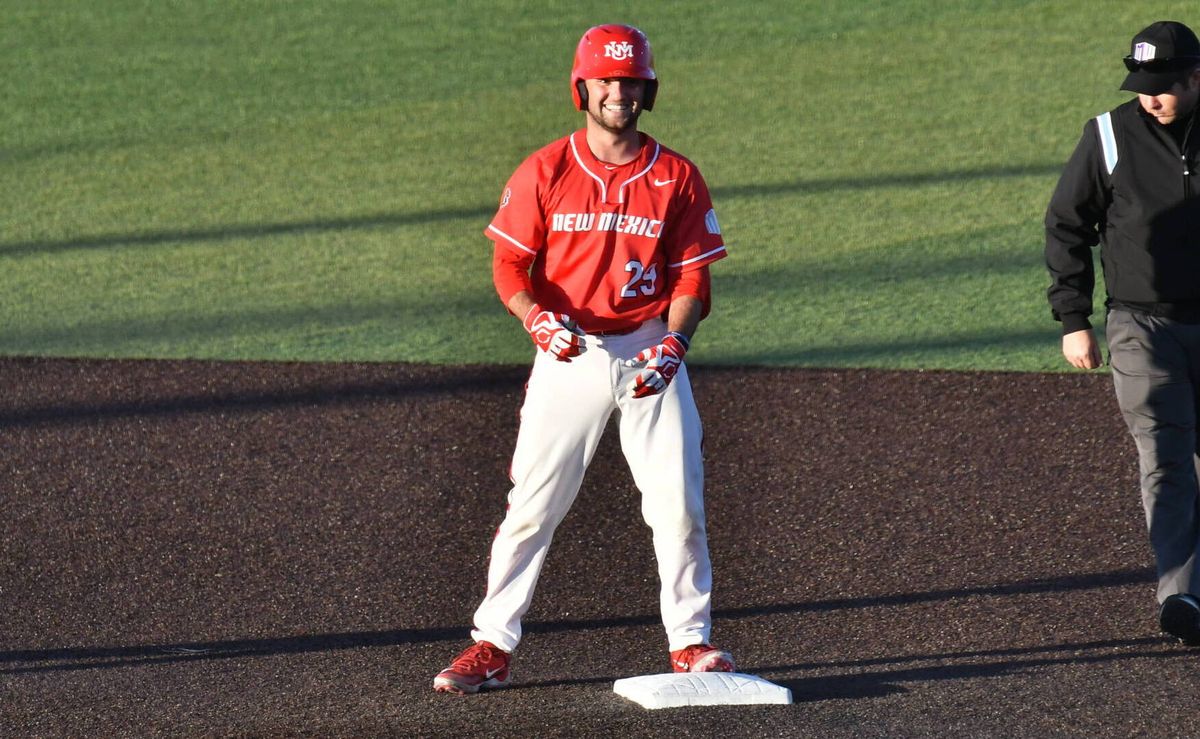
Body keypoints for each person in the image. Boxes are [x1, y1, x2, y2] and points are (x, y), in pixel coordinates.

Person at [431, 24, 734, 694]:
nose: (617, 93)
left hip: (650, 348)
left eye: (629, 81)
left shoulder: (677, 177)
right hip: (569, 352)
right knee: (533, 505)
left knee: (679, 505)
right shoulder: (545, 169)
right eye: (605, 81)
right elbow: (509, 265)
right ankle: (492, 645)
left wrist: (675, 344)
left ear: (647, 89)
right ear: (582, 88)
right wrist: (533, 316)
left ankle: (690, 642)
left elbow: (692, 277)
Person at [1045, 20, 1200, 646]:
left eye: (1162, 86)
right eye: (1141, 85)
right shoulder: (1108, 135)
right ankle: (1181, 594)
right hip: (1141, 326)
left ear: (1196, 78)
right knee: (1165, 458)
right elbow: (1067, 224)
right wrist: (1073, 319)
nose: (1149, 98)